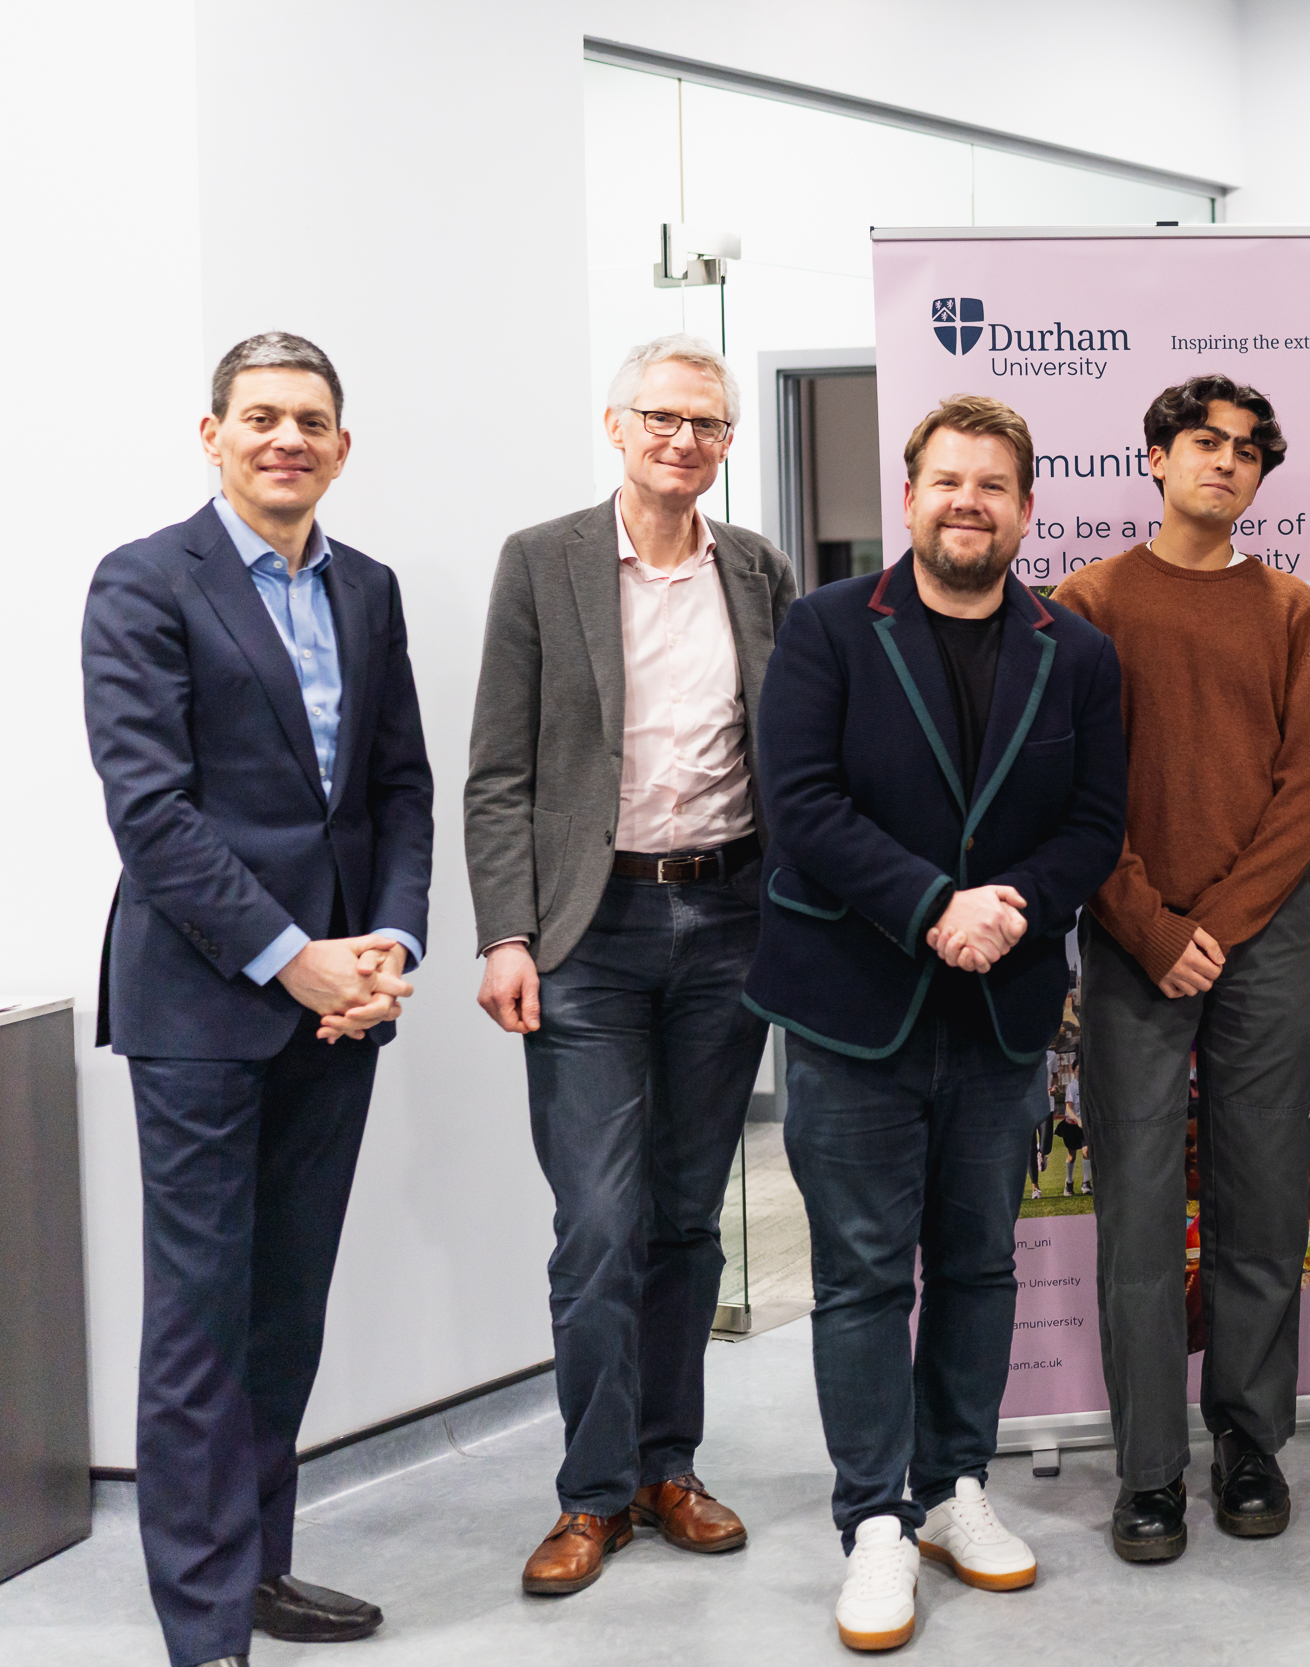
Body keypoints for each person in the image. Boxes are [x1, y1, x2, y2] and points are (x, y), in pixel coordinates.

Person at [743, 395, 1125, 1652]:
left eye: (995, 484)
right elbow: (799, 802)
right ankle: (871, 1519)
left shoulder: (1073, 650)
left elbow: (1094, 823)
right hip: (855, 1007)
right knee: (860, 1276)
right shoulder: (825, 629)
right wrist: (930, 907)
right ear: (910, 495)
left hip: (1001, 1007)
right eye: (947, 480)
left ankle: (955, 1485)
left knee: (976, 1262)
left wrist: (1008, 914)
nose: (970, 502)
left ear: (1026, 505)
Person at [83, 332, 433, 1667]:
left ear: (343, 444)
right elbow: (153, 814)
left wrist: (387, 942)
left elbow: (400, 784)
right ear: (214, 433)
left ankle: (261, 1559)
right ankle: (205, 1621)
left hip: (344, 998)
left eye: (313, 419)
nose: (289, 437)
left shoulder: (372, 588)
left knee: (285, 1306)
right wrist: (296, 954)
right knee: (199, 1319)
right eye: (263, 416)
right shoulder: (142, 583)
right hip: (202, 1004)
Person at [464, 336, 796, 1594]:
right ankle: (592, 1489)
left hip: (726, 923)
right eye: (661, 417)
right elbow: (498, 771)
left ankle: (670, 1463)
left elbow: (785, 754)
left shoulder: (755, 569)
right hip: (590, 936)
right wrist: (507, 930)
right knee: (598, 1224)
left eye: (706, 424)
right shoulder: (541, 561)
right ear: (615, 426)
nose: (684, 440)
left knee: (685, 1218)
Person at [1050, 375, 1310, 1561]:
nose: (1224, 463)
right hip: (1131, 939)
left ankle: (1249, 1440)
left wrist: (1214, 921)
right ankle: (1149, 1470)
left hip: (1261, 937)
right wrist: (1151, 924)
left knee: (1264, 1196)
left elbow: (1308, 787)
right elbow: (1065, 784)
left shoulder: (1291, 612)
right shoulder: (1088, 602)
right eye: (1202, 444)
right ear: (1156, 458)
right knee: (1131, 1205)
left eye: (1245, 451)